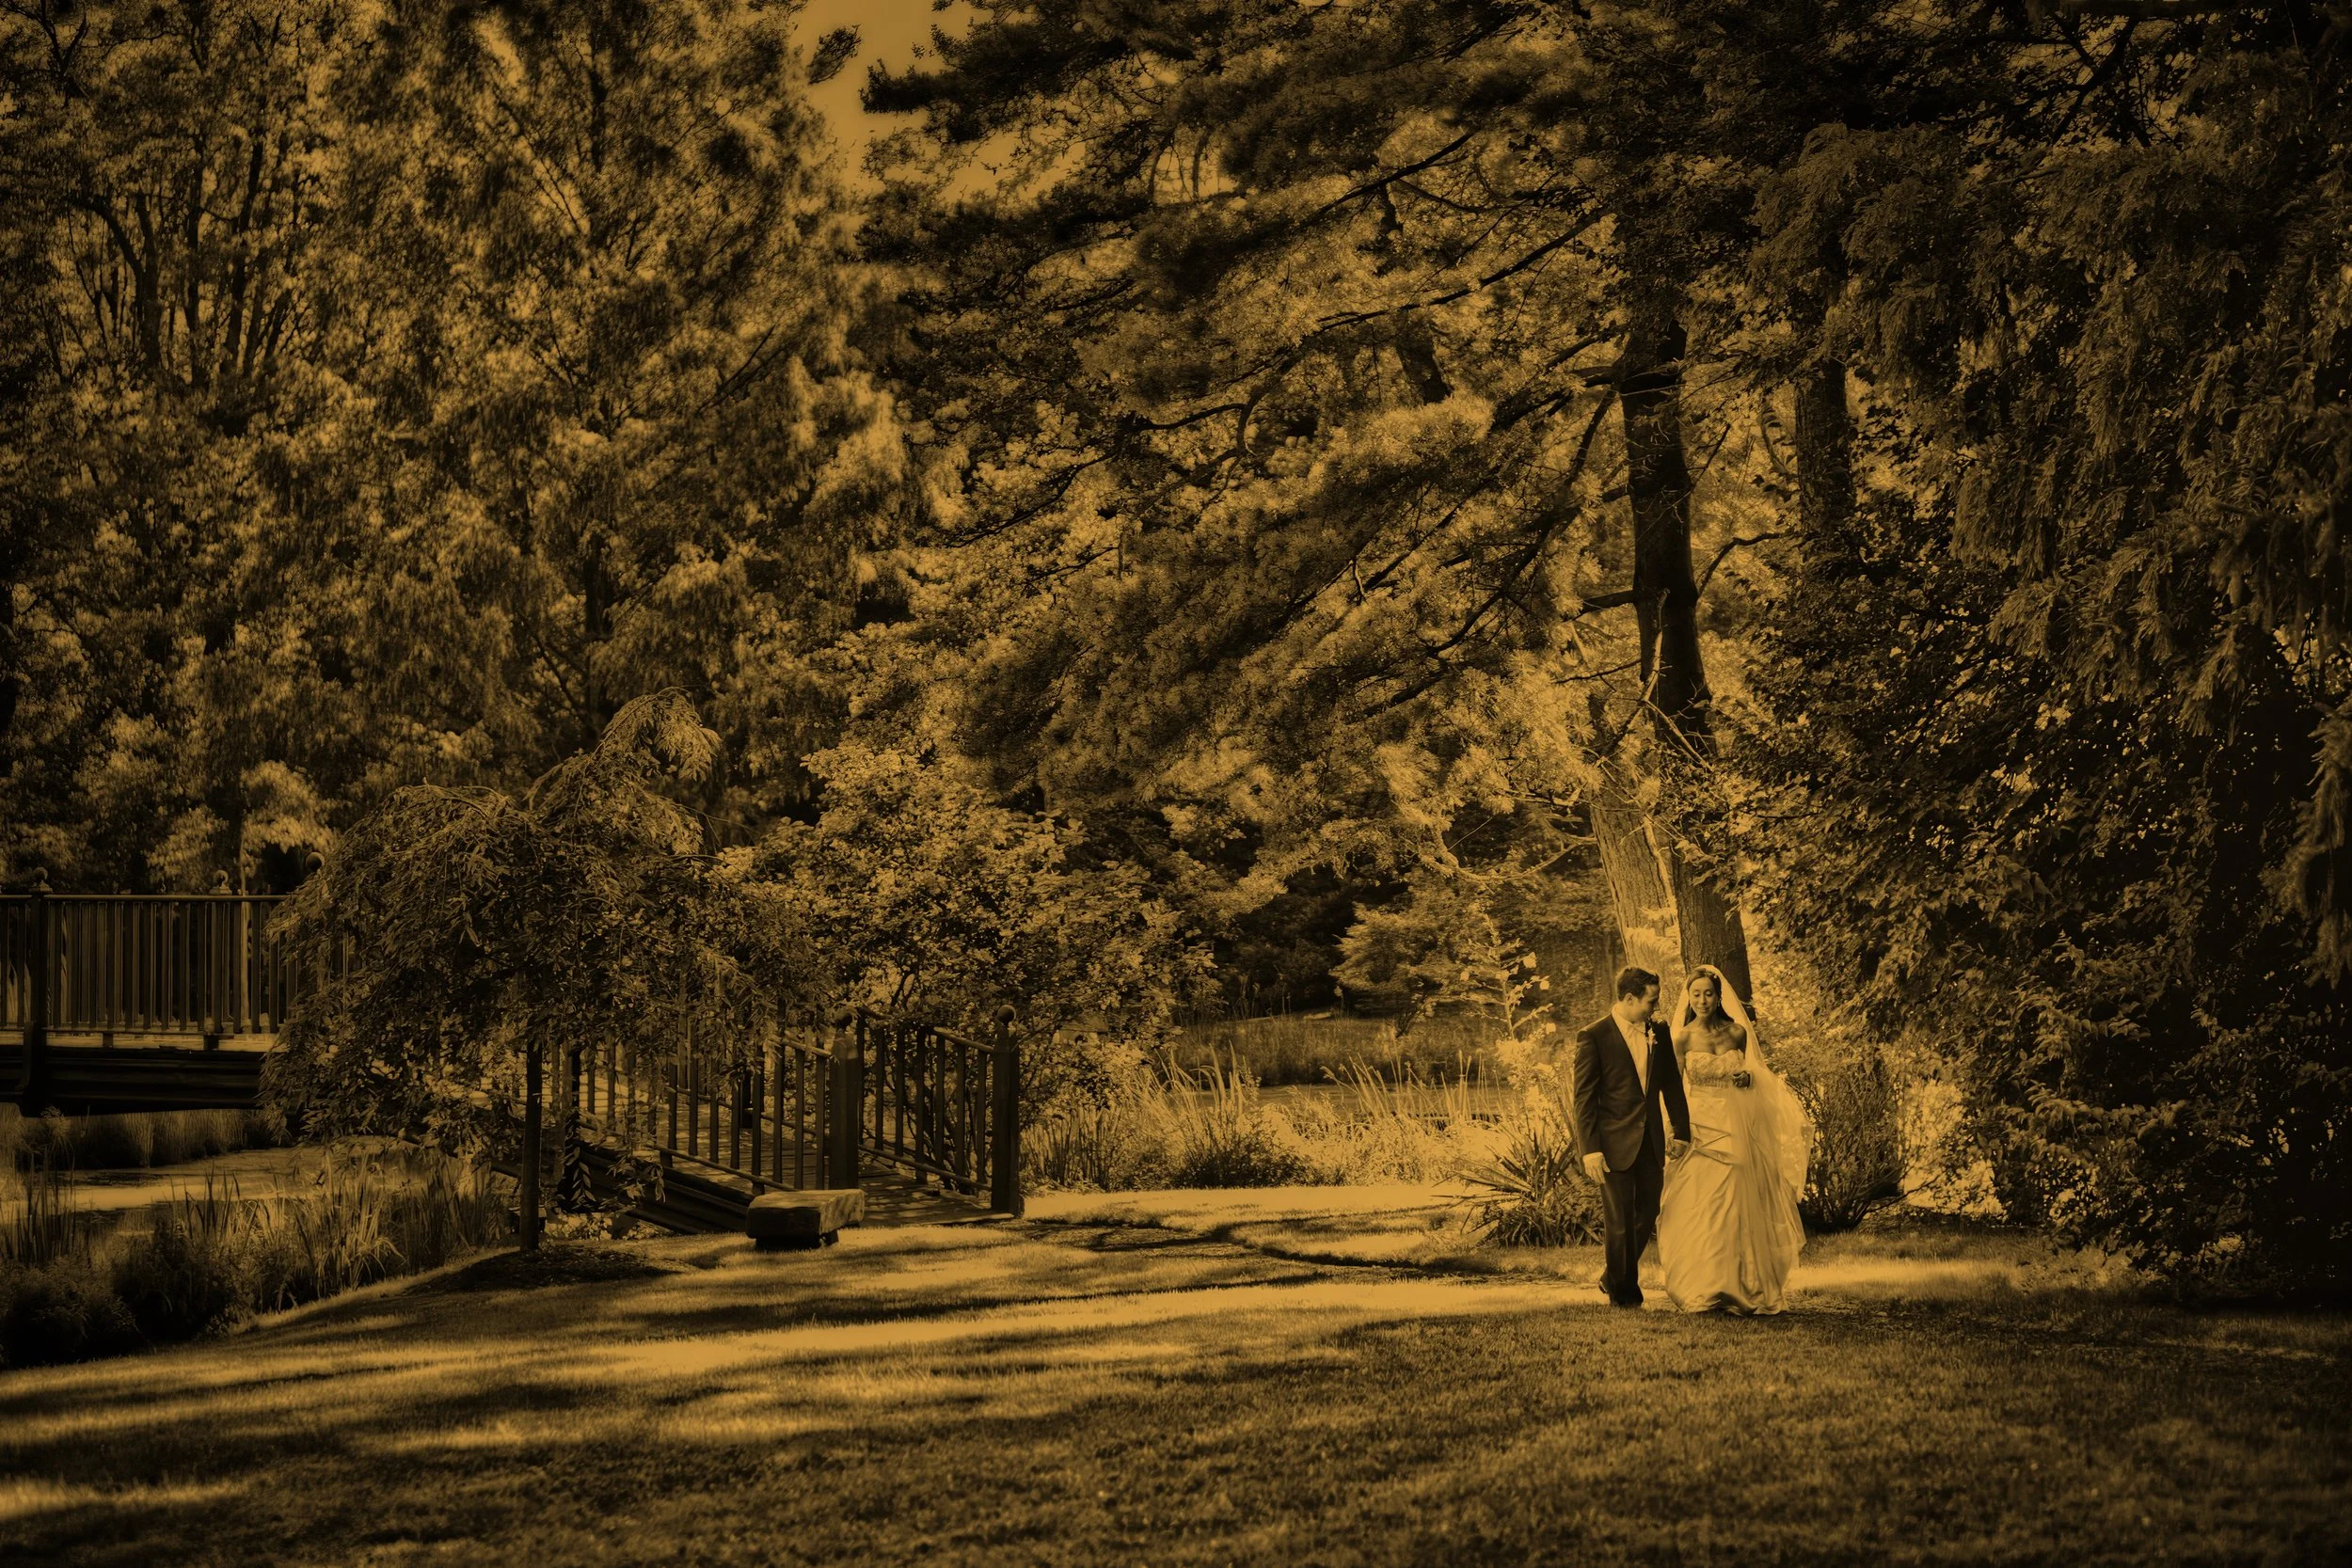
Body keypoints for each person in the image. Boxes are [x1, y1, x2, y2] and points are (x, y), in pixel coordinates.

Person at [1656, 965, 1811, 1314]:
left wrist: (1747, 1079)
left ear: (1718, 997)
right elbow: (1674, 1089)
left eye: (1708, 994)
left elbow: (1757, 1075)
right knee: (1700, 1202)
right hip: (1699, 1126)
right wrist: (1673, 1128)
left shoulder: (1737, 1033)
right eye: (1696, 994)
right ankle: (1703, 1285)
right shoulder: (1682, 1038)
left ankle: (1744, 1284)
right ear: (1688, 998)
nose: (1702, 1001)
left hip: (1735, 1122)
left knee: (1738, 1199)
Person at [1571, 966, 1692, 1308]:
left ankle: (1612, 1276)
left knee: (1649, 1210)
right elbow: (1584, 1099)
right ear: (1629, 998)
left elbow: (1671, 1085)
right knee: (1620, 1220)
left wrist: (1681, 1131)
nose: (1656, 1007)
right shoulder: (1593, 1036)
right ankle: (1625, 1296)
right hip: (1612, 1144)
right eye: (1651, 1001)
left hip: (1650, 1140)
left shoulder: (1658, 1031)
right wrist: (1590, 1150)